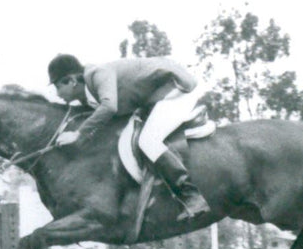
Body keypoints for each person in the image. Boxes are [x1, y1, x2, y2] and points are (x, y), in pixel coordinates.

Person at [47, 54, 211, 221]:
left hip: (175, 89)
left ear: (72, 81)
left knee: (148, 141)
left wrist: (78, 134)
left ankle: (192, 195)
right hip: (154, 98)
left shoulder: (98, 75)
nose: (57, 93)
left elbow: (109, 108)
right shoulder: (88, 95)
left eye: (58, 86)